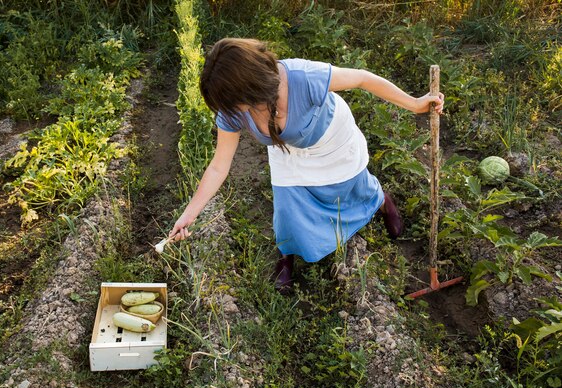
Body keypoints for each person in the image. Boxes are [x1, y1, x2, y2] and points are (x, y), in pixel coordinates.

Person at [168, 38, 444, 294]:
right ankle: (286, 254)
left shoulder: (302, 77)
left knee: (350, 188)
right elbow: (218, 166)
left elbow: (361, 78)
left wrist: (415, 104)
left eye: (235, 102)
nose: (231, 110)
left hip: (330, 137)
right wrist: (189, 214)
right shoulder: (232, 110)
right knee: (288, 208)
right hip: (287, 149)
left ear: (252, 87)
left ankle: (381, 200)